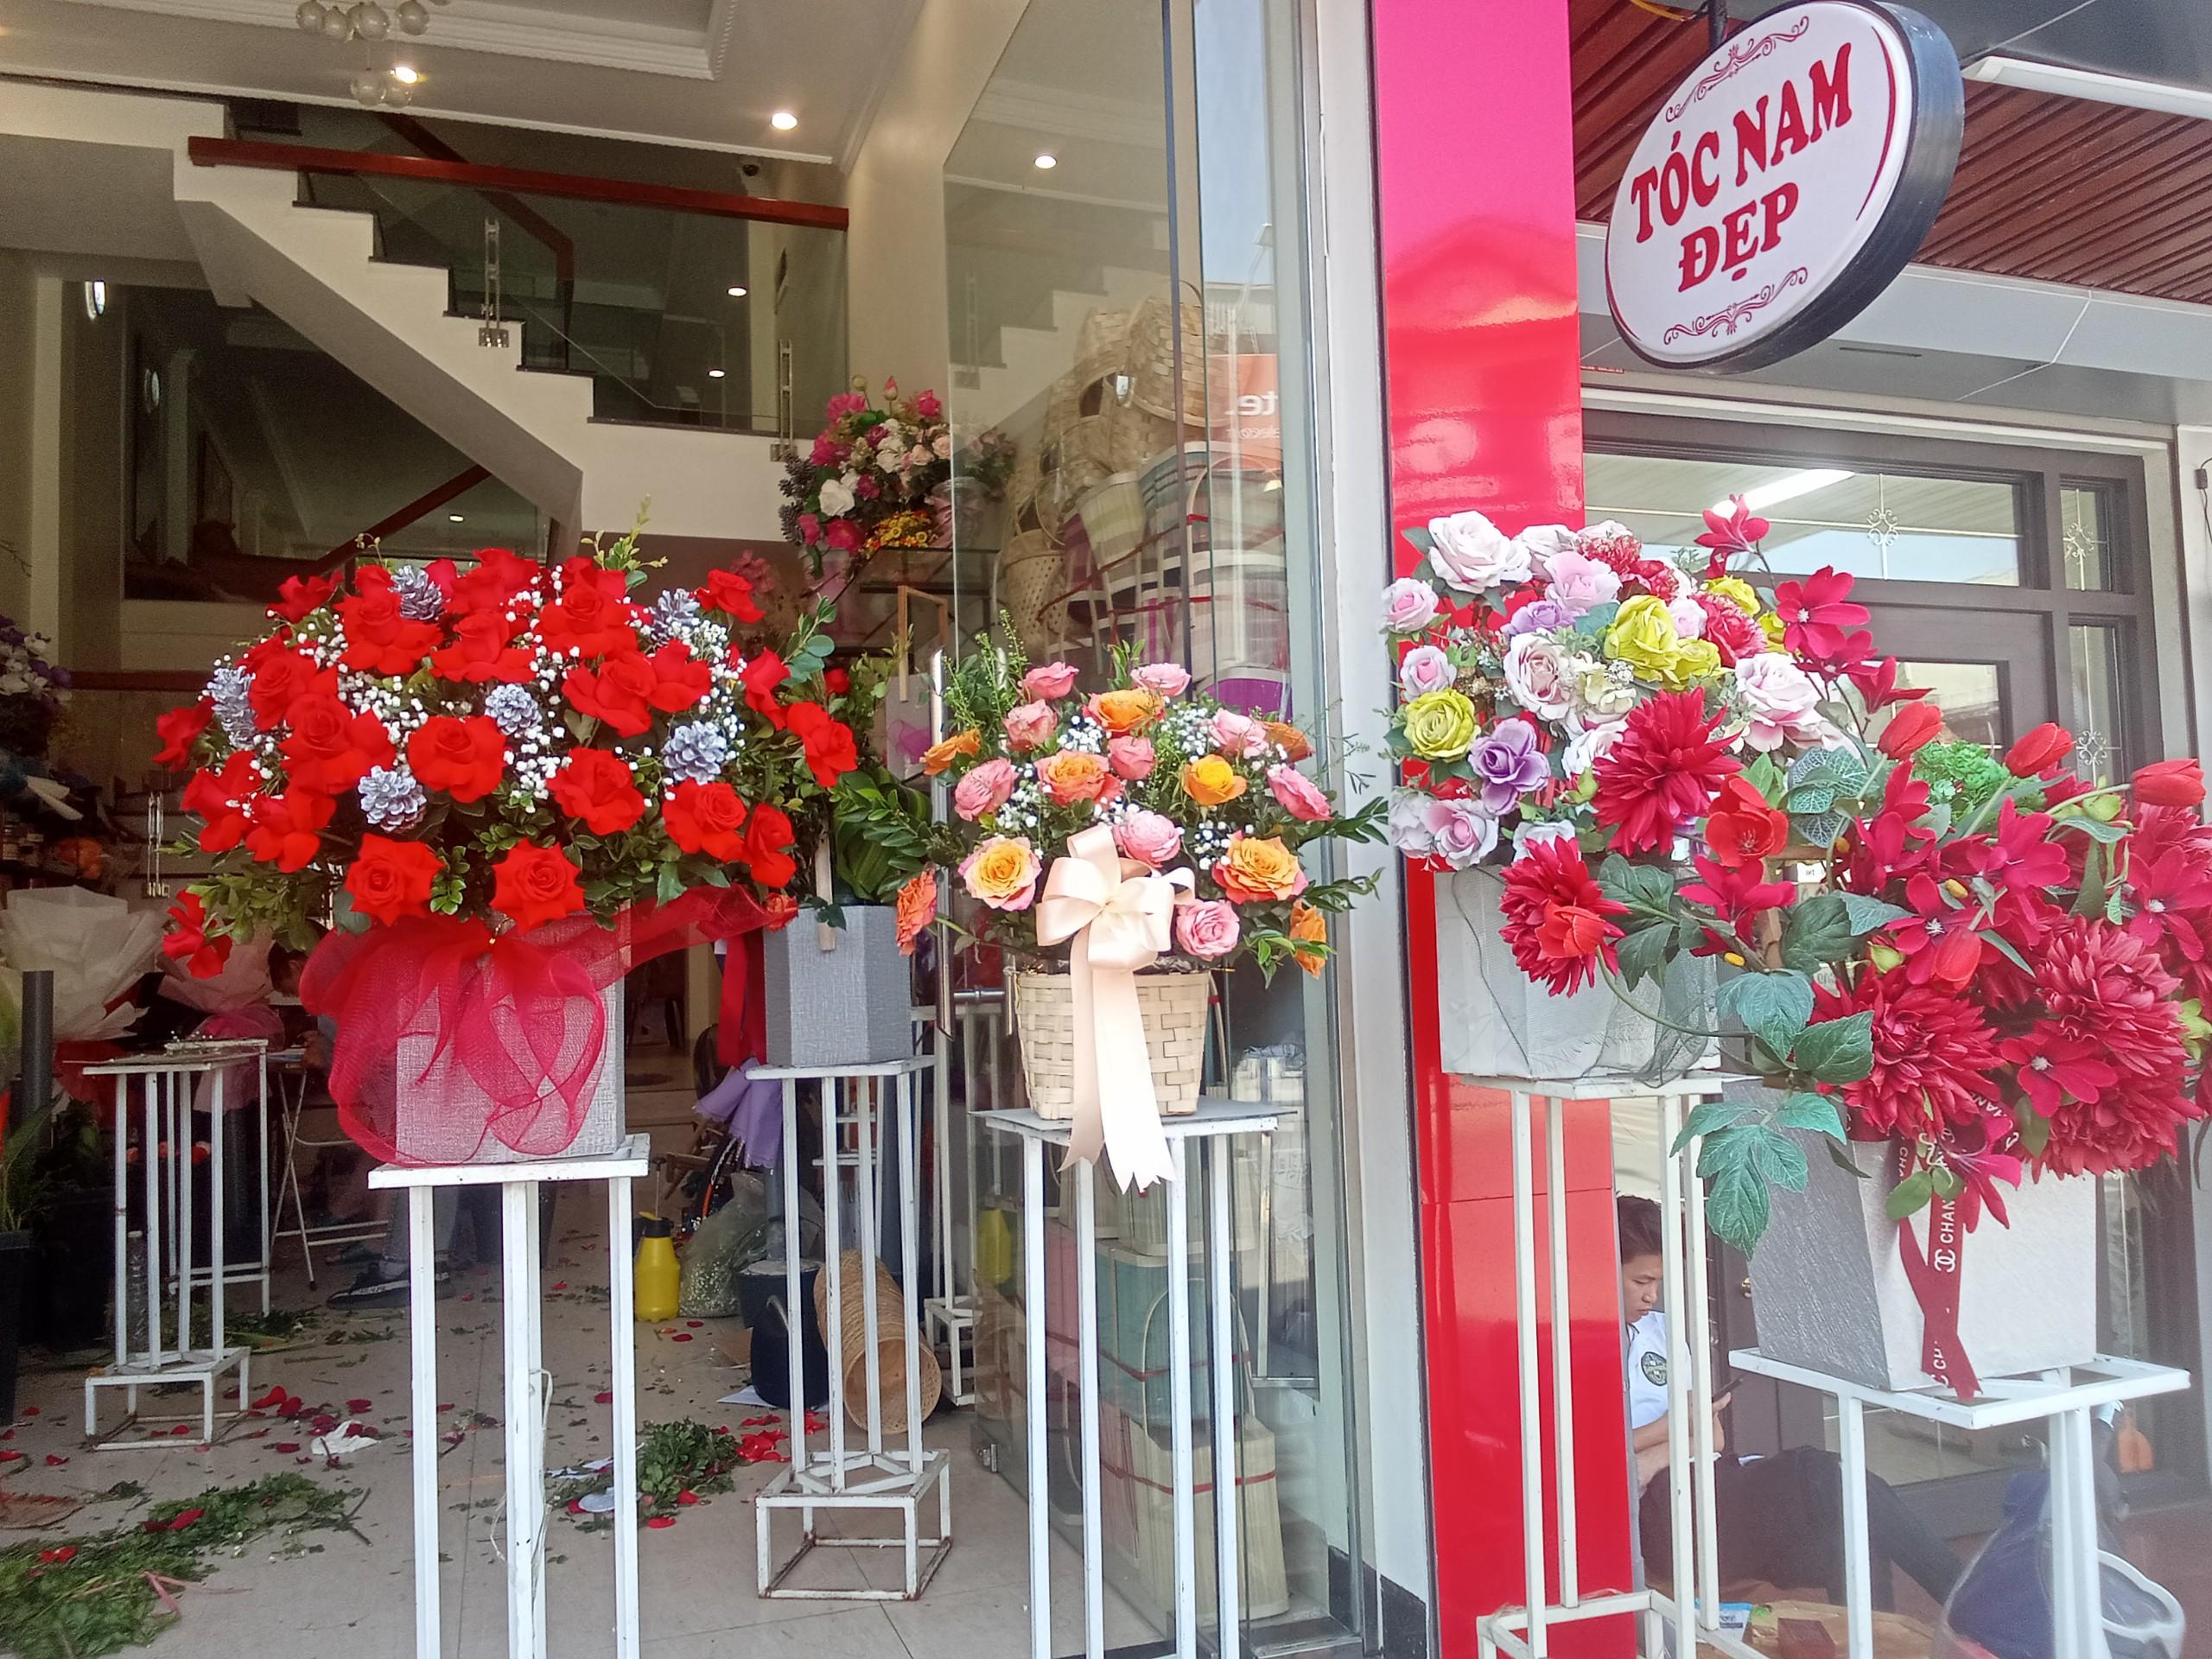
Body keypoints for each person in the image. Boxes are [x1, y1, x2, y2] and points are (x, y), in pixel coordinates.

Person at [1618, 1196, 1964, 1611]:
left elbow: (1713, 1436)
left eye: (1658, 1282)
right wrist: (1675, 1426)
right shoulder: (1575, 1345)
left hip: (1709, 1481)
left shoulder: (1663, 1332)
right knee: (1824, 1478)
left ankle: (1883, 1630)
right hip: (1662, 1513)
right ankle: (1966, 1601)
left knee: (1849, 1520)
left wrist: (1651, 1456)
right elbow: (1593, 1461)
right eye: (1641, 1282)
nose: (1652, 1296)